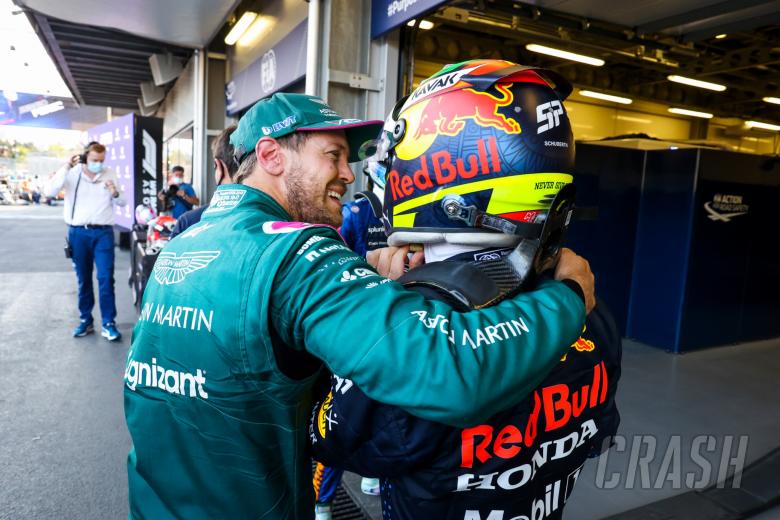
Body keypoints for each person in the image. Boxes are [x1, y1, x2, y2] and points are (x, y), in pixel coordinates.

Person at [123, 91, 595, 519]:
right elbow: (449, 369)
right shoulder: (297, 254)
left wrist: (362, 270)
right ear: (270, 155)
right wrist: (567, 295)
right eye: (333, 155)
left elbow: (249, 342)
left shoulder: (188, 242)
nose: (348, 174)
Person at [309, 60, 622, 520]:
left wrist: (376, 302)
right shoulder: (589, 303)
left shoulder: (413, 341)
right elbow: (595, 437)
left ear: (440, 167)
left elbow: (325, 434)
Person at [313, 186, 389, 520]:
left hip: (386, 327)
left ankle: (353, 488)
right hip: (365, 329)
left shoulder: (362, 211)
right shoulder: (357, 212)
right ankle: (323, 503)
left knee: (372, 413)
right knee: (342, 418)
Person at [44, 142, 126, 341]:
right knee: (84, 279)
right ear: (84, 157)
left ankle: (108, 323)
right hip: (78, 233)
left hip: (103, 233)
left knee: (106, 278)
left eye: (101, 160)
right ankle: (86, 320)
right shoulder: (72, 174)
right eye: (94, 160)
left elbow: (122, 201)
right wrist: (66, 167)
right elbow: (50, 192)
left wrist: (114, 191)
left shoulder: (109, 173)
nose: (98, 163)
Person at [169, 126, 237, 239]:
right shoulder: (274, 221)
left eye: (180, 175)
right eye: (176, 175)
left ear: (218, 167)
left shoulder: (187, 222)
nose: (178, 177)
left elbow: (196, 201)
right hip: (172, 220)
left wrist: (184, 195)